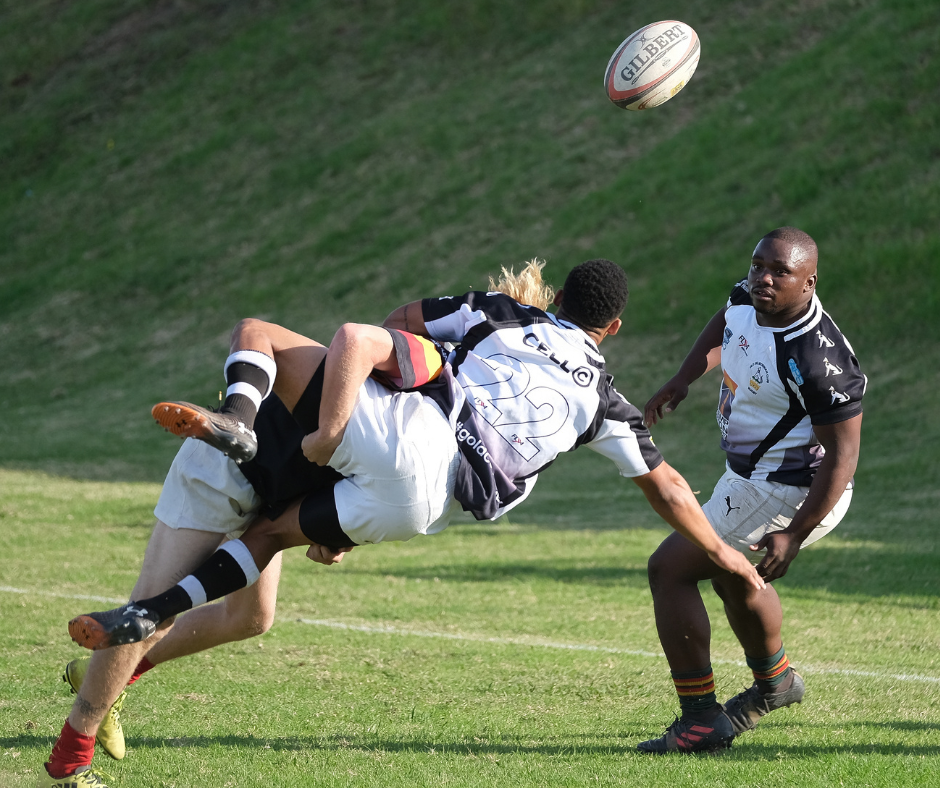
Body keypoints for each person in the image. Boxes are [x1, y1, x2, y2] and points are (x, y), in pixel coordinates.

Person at [58, 259, 765, 785]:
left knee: (236, 609)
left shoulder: (473, 337)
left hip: (335, 462)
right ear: (612, 329)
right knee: (206, 604)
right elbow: (668, 485)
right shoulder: (596, 399)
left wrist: (386, 388)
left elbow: (386, 330)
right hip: (345, 482)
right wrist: (726, 556)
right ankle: (82, 735)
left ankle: (114, 677)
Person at [41, 260, 549, 788]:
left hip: (279, 493)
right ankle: (68, 762)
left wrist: (337, 531)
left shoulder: (448, 407)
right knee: (151, 606)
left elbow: (381, 474)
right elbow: (358, 412)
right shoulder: (418, 360)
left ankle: (113, 676)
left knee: (249, 618)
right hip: (228, 472)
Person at [636, 227, 865, 754]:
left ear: (808, 283)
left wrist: (795, 533)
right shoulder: (749, 295)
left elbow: (843, 456)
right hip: (750, 481)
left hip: (791, 491)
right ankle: (777, 684)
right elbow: (726, 319)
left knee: (668, 569)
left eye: (779, 272)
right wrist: (684, 376)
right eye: (757, 264)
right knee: (732, 578)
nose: (762, 278)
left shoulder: (815, 357)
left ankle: (700, 719)